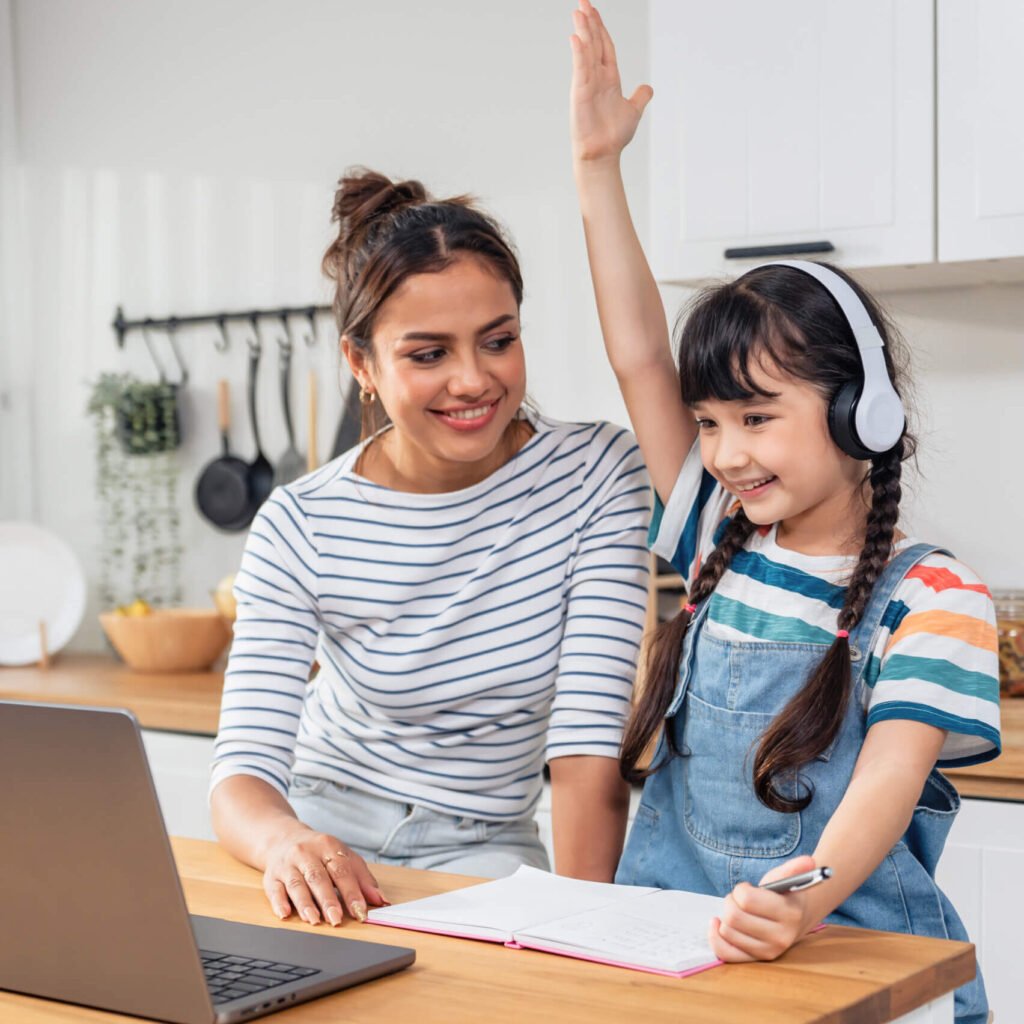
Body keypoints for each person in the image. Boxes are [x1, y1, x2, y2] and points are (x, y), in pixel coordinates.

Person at [568, 4, 998, 1022]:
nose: (723, 452)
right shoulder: (714, 530)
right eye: (708, 422)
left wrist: (798, 898)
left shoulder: (933, 598)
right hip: (678, 953)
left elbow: (886, 786)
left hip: (849, 958)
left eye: (757, 416)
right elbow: (637, 354)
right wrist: (595, 167)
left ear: (861, 410)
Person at [209, 167, 650, 930]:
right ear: (361, 365)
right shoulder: (301, 521)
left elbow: (587, 748)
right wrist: (286, 841)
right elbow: (244, 770)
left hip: (483, 850)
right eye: (427, 354)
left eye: (498, 341)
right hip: (318, 833)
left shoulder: (596, 474)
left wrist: (589, 931)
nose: (472, 380)